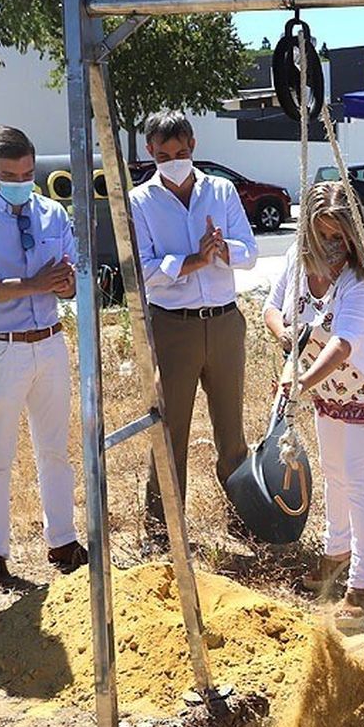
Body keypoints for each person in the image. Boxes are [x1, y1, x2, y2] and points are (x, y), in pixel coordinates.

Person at [0, 126, 88, 592]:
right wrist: (32, 285)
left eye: (28, 174)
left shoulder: (51, 212)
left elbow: (71, 274)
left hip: (49, 342)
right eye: (10, 175)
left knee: (56, 450)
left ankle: (63, 541)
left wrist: (65, 284)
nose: (22, 182)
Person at [263, 182, 364, 627]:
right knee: (333, 471)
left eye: (340, 236)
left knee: (361, 480)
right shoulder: (296, 259)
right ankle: (336, 552)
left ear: (354, 233)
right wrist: (285, 337)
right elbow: (272, 307)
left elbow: (344, 344)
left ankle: (363, 585)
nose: (331, 245)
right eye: (323, 234)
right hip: (327, 390)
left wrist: (301, 380)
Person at [129, 111, 259, 542]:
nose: (174, 162)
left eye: (181, 153)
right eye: (164, 156)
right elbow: (143, 270)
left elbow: (249, 252)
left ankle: (242, 521)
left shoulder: (220, 190)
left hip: (224, 323)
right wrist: (194, 261)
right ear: (150, 151)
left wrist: (221, 250)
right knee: (170, 431)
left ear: (194, 146)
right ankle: (162, 531)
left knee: (232, 432)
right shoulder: (139, 201)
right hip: (172, 327)